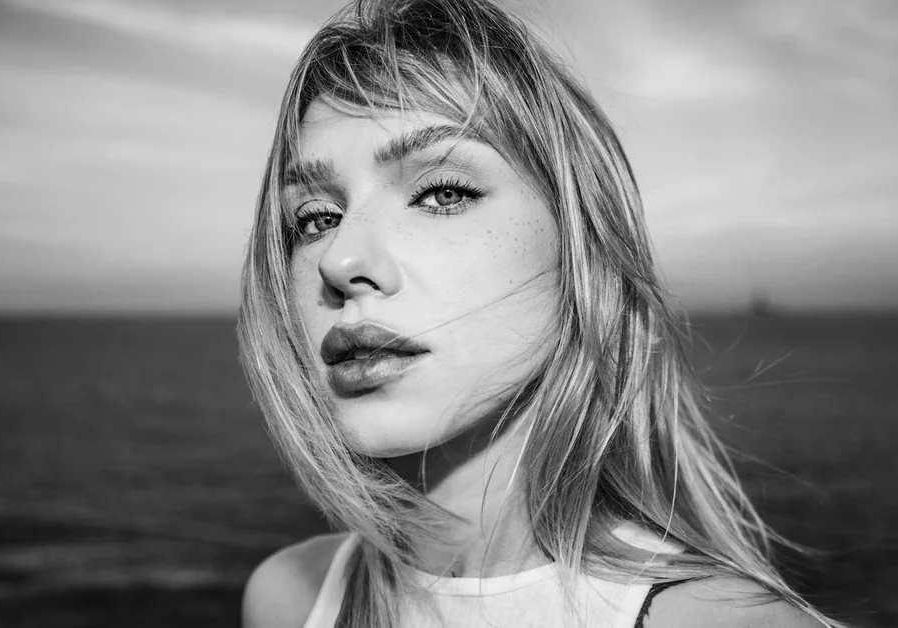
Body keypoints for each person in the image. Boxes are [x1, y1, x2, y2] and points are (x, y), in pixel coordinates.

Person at [238, 1, 844, 626]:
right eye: (315, 218)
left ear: (581, 249)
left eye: (442, 193)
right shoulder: (288, 599)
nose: (339, 259)